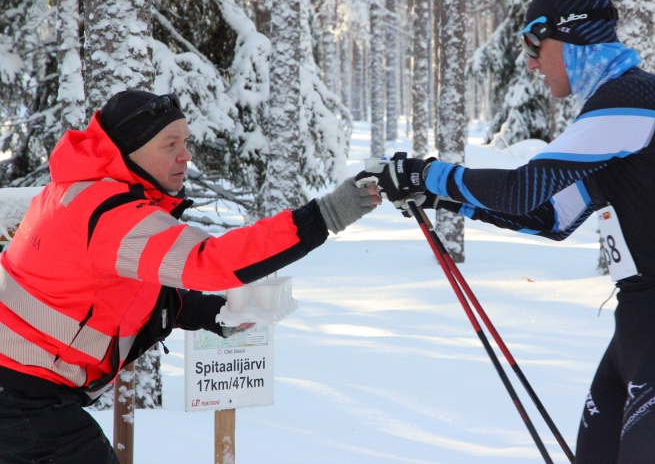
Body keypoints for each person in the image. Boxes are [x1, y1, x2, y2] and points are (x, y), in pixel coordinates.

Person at [357, 0, 655, 464]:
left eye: (535, 43)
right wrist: (434, 195)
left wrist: (430, 174)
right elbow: (549, 215)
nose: (531, 62)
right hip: (637, 334)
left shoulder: (637, 97)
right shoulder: (612, 111)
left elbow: (521, 189)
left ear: (572, 37)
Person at [0, 90, 380, 463]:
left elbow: (109, 291)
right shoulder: (112, 215)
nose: (186, 154)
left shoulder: (79, 190)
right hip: (21, 396)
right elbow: (212, 262)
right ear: (129, 152)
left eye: (186, 140)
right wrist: (325, 215)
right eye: (169, 145)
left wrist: (205, 313)